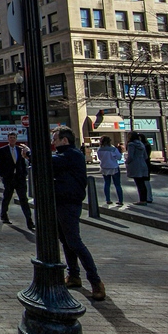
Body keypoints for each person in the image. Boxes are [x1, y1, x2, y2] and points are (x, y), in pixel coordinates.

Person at [52, 126, 105, 301]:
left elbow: (52, 162)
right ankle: (73, 275)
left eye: (55, 139)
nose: (53, 143)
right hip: (61, 201)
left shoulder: (72, 155)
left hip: (69, 202)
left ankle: (95, 281)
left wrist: (31, 154)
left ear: (64, 140)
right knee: (66, 241)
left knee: (74, 241)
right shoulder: (66, 155)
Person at [0, 133, 34, 229]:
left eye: (14, 138)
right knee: (7, 197)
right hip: (9, 178)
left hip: (19, 178)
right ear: (8, 139)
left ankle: (29, 220)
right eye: (11, 138)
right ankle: (4, 215)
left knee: (24, 199)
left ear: (16, 139)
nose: (12, 139)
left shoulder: (19, 150)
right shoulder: (3, 150)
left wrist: (24, 174)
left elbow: (22, 163)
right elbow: (0, 164)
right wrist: (3, 176)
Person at [96, 136, 124, 205]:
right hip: (114, 167)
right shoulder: (113, 149)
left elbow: (99, 158)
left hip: (104, 167)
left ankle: (108, 199)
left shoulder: (99, 149)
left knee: (107, 184)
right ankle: (120, 200)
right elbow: (119, 157)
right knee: (117, 184)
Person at [125, 132, 151, 204]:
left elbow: (131, 156)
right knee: (142, 182)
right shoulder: (141, 144)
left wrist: (126, 162)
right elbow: (146, 156)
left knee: (138, 183)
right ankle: (144, 199)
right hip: (143, 163)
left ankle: (141, 200)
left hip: (135, 165)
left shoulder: (131, 144)